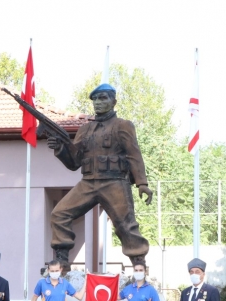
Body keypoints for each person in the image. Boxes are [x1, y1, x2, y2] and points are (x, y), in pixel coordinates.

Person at [46, 83, 153, 267]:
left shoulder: (123, 126)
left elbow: (134, 154)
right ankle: (61, 261)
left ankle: (138, 264)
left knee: (125, 225)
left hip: (114, 183)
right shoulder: (85, 129)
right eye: (95, 99)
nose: (97, 102)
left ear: (114, 101)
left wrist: (141, 183)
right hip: (88, 183)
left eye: (103, 98)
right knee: (59, 213)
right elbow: (74, 162)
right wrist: (60, 148)